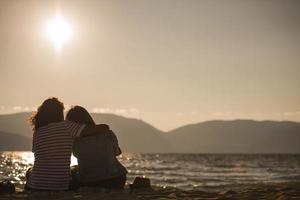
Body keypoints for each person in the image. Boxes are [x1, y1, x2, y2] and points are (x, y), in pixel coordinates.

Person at [25, 97, 109, 191]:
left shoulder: (37, 132)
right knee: (74, 171)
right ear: (59, 113)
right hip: (60, 186)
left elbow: (37, 153)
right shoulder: (68, 126)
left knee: (29, 171)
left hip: (34, 186)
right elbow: (103, 128)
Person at [66, 106, 127, 189]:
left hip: (90, 181)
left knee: (73, 171)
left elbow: (77, 155)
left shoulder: (76, 141)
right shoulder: (108, 133)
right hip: (117, 179)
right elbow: (117, 152)